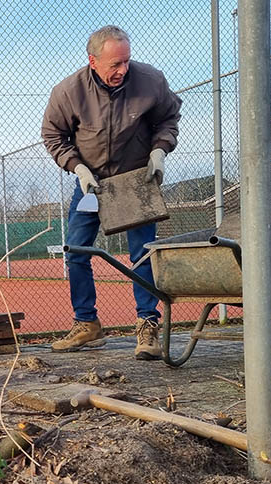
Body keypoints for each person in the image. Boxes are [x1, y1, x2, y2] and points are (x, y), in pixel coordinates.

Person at [41, 25, 181, 359]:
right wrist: (77, 167)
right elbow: (52, 135)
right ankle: (87, 324)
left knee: (142, 254)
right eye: (114, 65)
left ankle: (148, 325)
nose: (122, 70)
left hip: (135, 182)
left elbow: (169, 119)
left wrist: (160, 149)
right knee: (76, 251)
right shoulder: (68, 92)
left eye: (126, 62)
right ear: (92, 61)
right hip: (92, 184)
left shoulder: (151, 81)